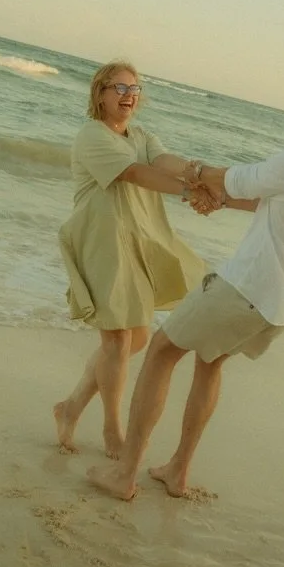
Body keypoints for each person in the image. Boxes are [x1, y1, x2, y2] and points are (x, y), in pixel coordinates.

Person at [87, 64, 284, 500]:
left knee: (163, 351)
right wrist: (218, 198)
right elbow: (276, 204)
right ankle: (177, 471)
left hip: (248, 286)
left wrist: (196, 175)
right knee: (210, 361)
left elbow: (235, 178)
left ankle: (125, 474)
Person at [53, 61, 212, 459]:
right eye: (119, 87)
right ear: (100, 93)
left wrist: (202, 174)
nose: (128, 95)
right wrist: (189, 193)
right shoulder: (92, 135)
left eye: (135, 89)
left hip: (134, 242)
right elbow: (136, 174)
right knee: (118, 338)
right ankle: (112, 430)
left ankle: (69, 407)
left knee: (133, 338)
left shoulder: (140, 135)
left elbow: (162, 162)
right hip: (100, 241)